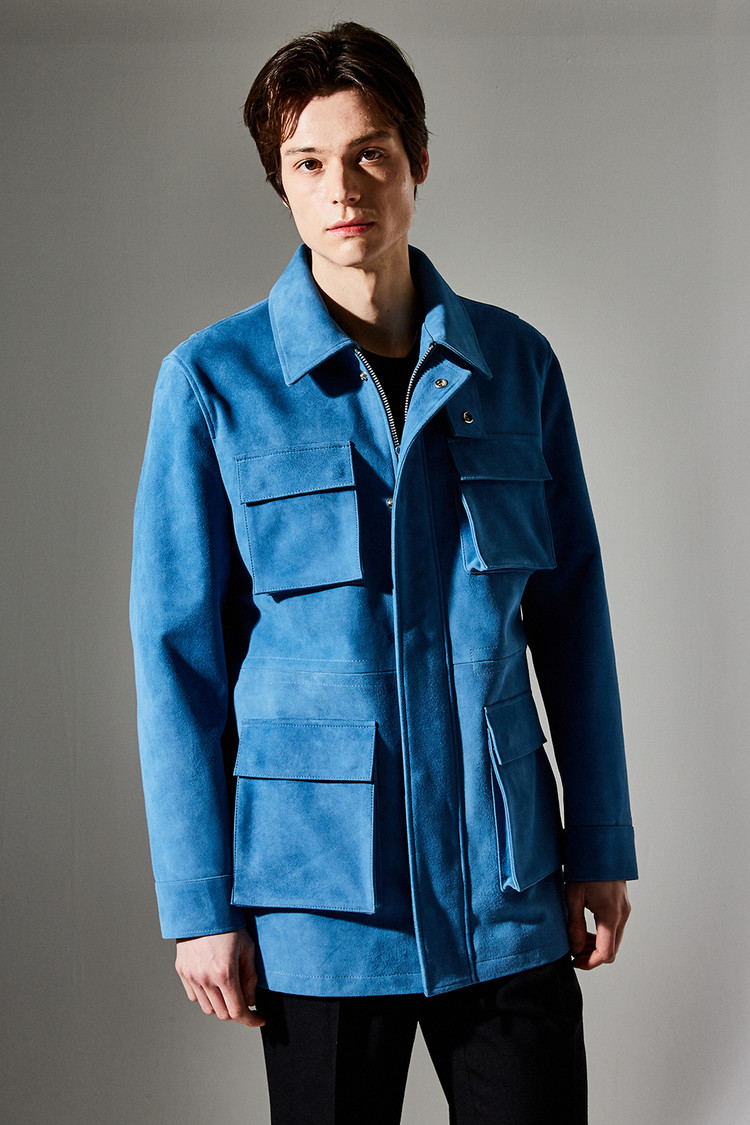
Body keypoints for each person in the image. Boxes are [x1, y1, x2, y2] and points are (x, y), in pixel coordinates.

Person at [130, 21, 636, 1124]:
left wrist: (599, 838)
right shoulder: (213, 384)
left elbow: (573, 617)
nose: (341, 188)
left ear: (417, 160)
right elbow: (179, 661)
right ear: (280, 181)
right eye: (308, 162)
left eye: (370, 153)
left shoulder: (516, 366)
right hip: (322, 901)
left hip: (505, 889)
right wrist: (200, 903)